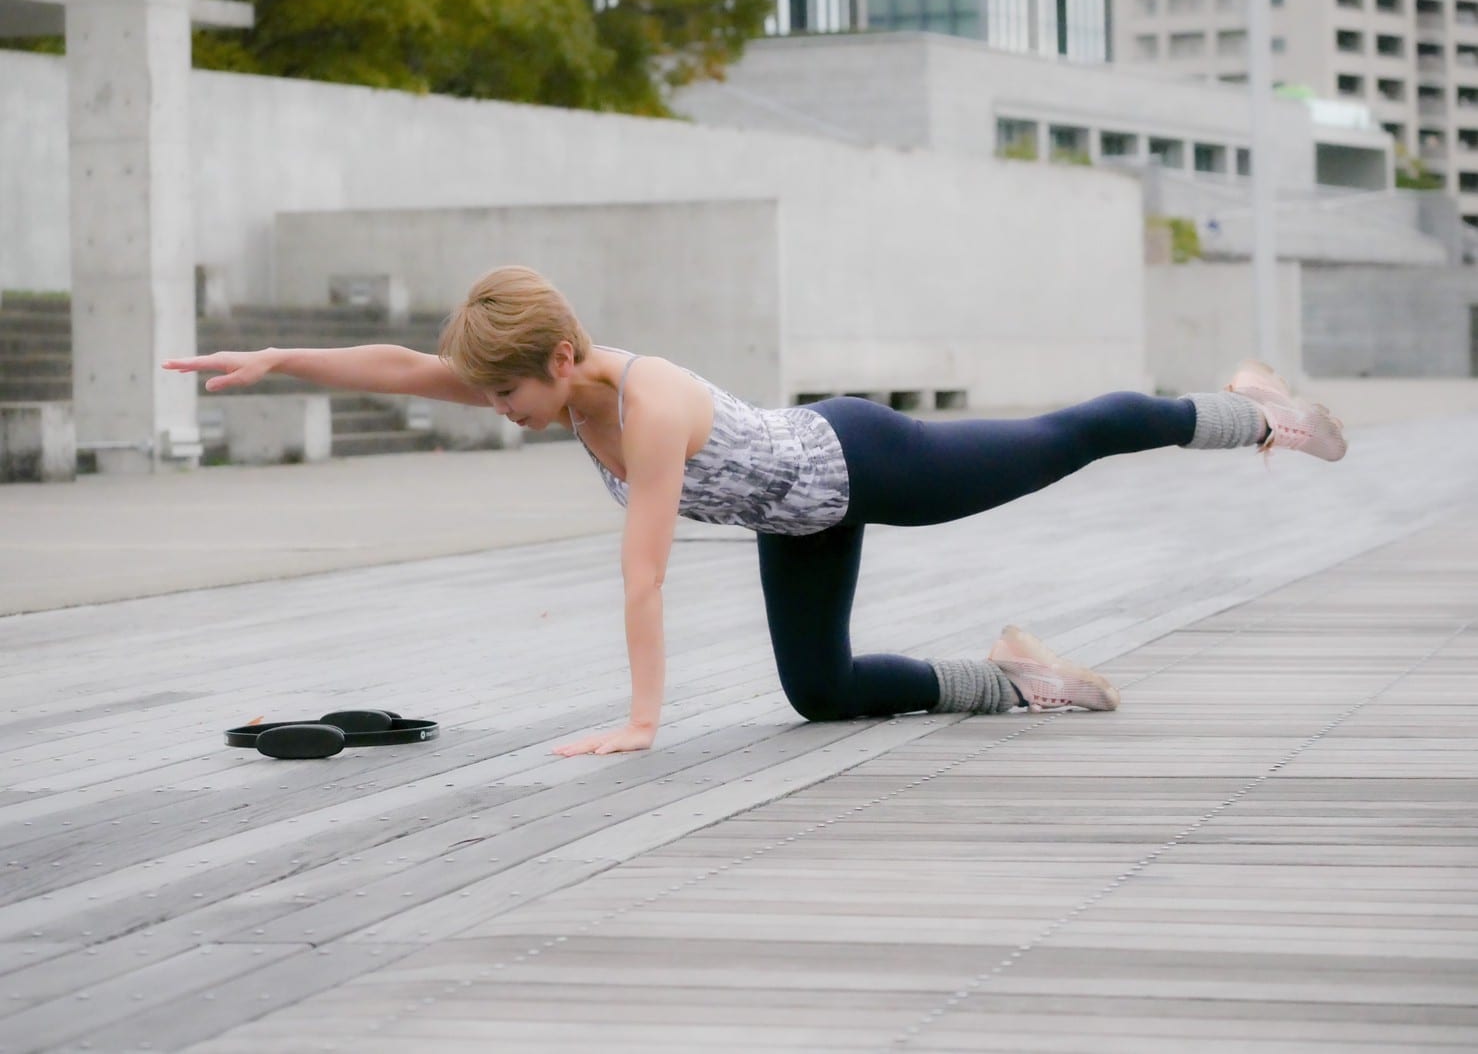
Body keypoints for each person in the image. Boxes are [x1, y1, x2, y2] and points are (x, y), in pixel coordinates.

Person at [164, 265, 1347, 757]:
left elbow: (644, 570)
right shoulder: (540, 384)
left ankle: (1250, 411)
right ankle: (1017, 677)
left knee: (1066, 438)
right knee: (818, 695)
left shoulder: (651, 403)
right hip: (802, 518)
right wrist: (275, 359)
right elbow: (392, 362)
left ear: (563, 354)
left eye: (507, 393)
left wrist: (639, 718)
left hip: (865, 460)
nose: (496, 411)